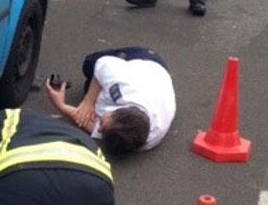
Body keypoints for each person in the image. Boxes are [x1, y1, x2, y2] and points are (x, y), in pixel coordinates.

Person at [45, 46, 176, 153]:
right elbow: (103, 63)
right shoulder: (122, 85)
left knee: (89, 87)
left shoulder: (146, 138)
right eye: (102, 124)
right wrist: (88, 102)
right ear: (117, 109)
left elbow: (94, 126)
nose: (98, 129)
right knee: (90, 63)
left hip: (158, 90)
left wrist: (62, 106)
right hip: (148, 63)